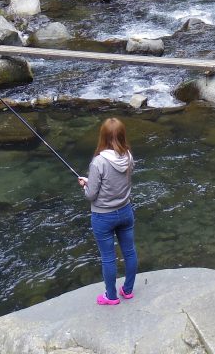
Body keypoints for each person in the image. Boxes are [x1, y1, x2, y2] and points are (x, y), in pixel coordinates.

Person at [78, 118, 138, 306]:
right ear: (122, 135)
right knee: (129, 252)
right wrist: (93, 182)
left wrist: (85, 185)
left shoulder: (98, 162)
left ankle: (111, 296)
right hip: (125, 211)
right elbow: (118, 182)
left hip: (103, 216)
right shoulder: (128, 156)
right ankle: (127, 290)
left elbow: (91, 195)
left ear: (102, 136)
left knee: (108, 257)